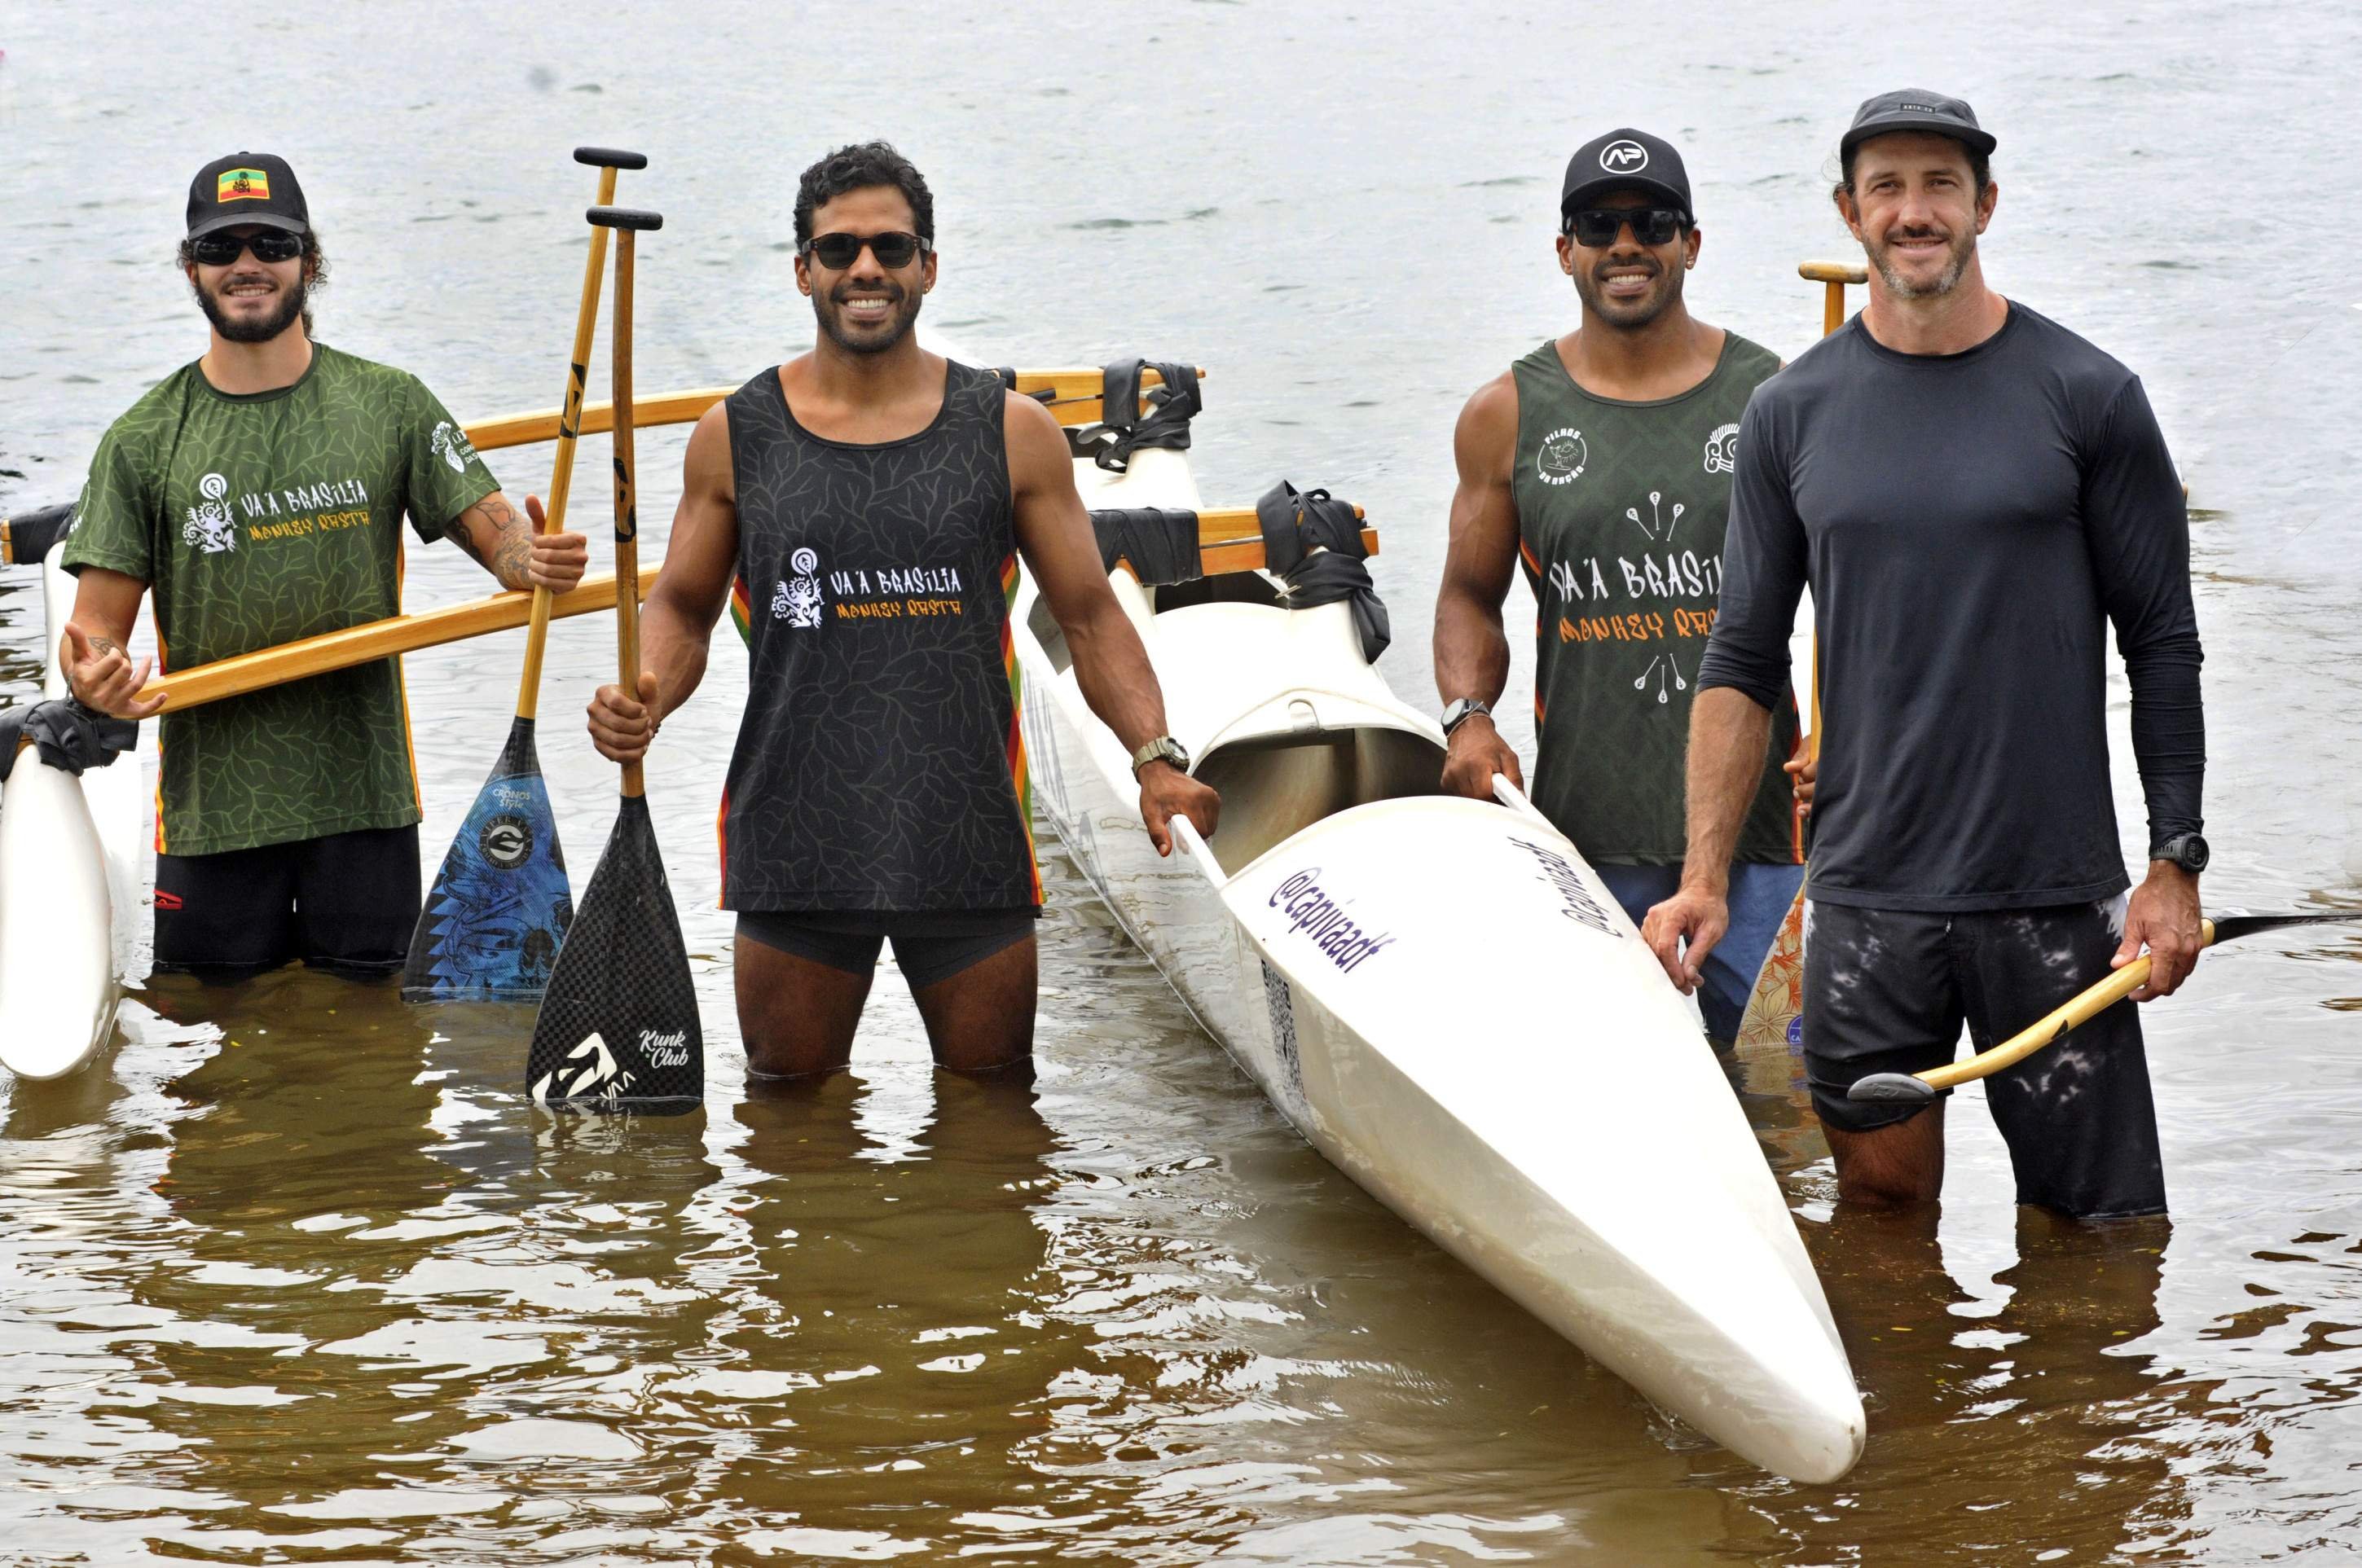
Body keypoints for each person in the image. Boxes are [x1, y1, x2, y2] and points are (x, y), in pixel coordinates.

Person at [1643, 92, 2206, 1219]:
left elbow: (2160, 643)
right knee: (1881, 1220)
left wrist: (2172, 862)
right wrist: (1703, 874)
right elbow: (1741, 658)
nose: (1913, 211)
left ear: (1983, 203)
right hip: (1866, 901)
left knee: (2098, 1238)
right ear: (1849, 214)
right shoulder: (1788, 414)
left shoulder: (2088, 396)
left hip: (2049, 898)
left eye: (1938, 185)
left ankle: (2083, 1405)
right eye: (1886, 188)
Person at [585, 141, 1218, 1079]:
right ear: (802, 270)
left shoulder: (1010, 430)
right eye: (838, 250)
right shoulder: (737, 435)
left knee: (995, 1120)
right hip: (797, 833)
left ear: (928, 263)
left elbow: (1090, 614)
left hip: (964, 830)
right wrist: (645, 694)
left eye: (890, 246)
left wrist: (1156, 758)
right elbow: (680, 606)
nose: (866, 268)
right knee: (787, 1118)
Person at [60, 152, 588, 978]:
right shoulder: (142, 439)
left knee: (372, 1046)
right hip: (216, 810)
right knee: (209, 1045)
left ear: (309, 258)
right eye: (220, 247)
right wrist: (94, 678)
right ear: (190, 266)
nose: (246, 265)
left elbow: (501, 544)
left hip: (364, 799)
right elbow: (93, 633)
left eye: (270, 244)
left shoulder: (390, 403)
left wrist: (534, 559)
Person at [1432, 126, 1802, 1042]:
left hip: (1766, 838)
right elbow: (1467, 596)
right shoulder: (1505, 413)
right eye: (1599, 224)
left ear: (1691, 243)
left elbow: (1862, 590)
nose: (1625, 245)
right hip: (1588, 832)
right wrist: (1469, 716)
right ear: (1564, 250)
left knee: (1791, 1107)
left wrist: (1846, 726)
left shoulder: (1776, 398)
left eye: (1652, 223)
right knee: (1623, 1094)